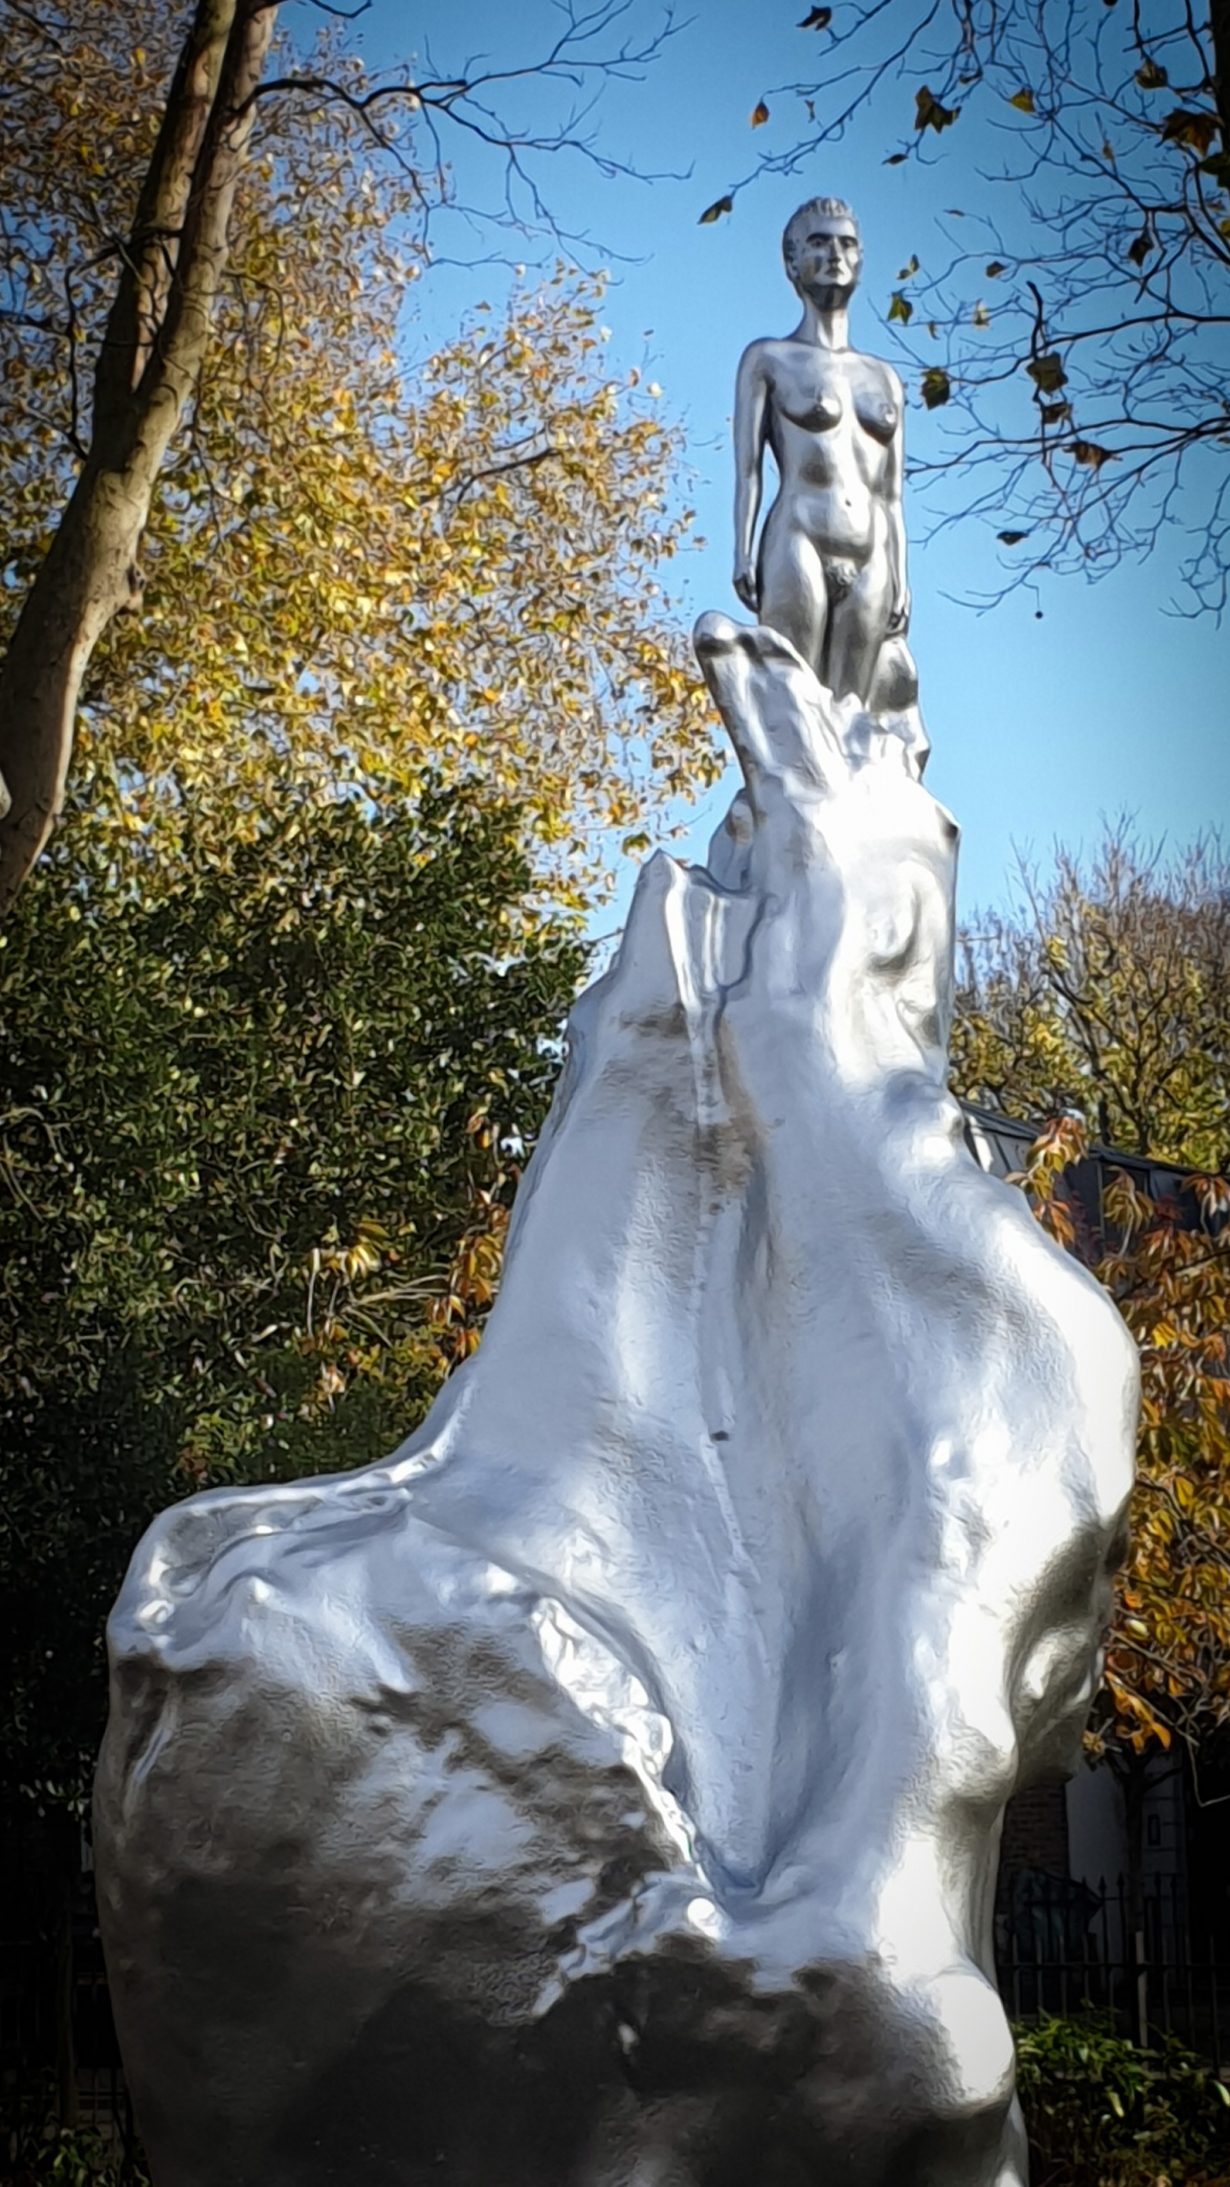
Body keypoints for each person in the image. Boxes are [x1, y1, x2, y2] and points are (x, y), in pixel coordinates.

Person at [733, 197, 912, 712]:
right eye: (819, 242)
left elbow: (893, 493)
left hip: (872, 547)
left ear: (860, 260)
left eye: (846, 243)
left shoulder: (885, 379)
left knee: (854, 716)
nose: (835, 253)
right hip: (799, 536)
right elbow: (748, 470)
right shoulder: (768, 359)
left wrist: (903, 576)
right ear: (792, 262)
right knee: (794, 707)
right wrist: (742, 552)